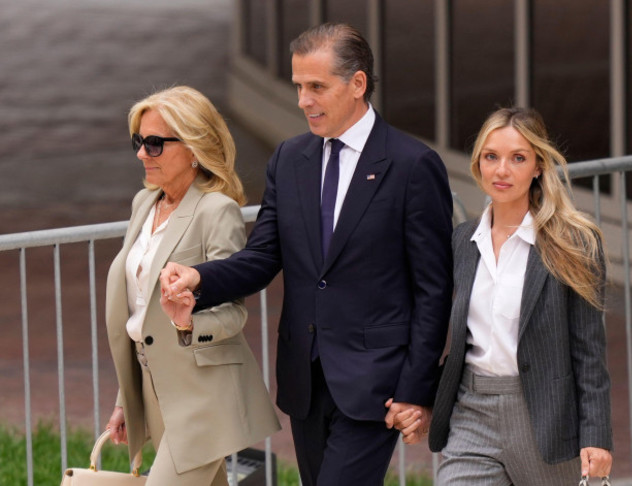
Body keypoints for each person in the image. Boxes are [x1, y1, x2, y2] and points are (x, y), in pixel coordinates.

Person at [159, 23, 453, 486]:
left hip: (375, 381)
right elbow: (262, 257)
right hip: (305, 377)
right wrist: (200, 281)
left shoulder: (412, 166)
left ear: (357, 84)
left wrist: (416, 391)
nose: (303, 100)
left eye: (316, 86)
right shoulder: (289, 159)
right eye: (298, 86)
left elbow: (434, 291)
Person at [416, 107, 612, 484]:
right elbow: (457, 344)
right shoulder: (462, 241)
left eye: (517, 158)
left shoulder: (574, 244)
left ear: (538, 166)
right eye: (491, 157)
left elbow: (589, 352)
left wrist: (597, 435)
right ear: (478, 163)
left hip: (546, 419)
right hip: (472, 413)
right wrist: (420, 398)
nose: (502, 170)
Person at [104, 86, 280, 486]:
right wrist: (124, 401)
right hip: (156, 390)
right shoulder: (144, 203)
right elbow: (139, 317)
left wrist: (187, 323)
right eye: (139, 142)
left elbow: (233, 310)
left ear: (195, 147)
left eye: (154, 143)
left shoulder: (216, 210)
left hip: (203, 395)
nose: (141, 154)